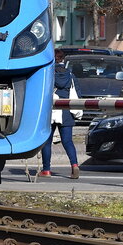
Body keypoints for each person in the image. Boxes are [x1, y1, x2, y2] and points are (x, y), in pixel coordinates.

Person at [40, 48, 81, 179]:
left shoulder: (48, 74)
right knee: (68, 141)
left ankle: (46, 170)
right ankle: (74, 165)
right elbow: (78, 93)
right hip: (66, 111)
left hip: (50, 110)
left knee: (47, 141)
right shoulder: (70, 75)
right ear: (63, 60)